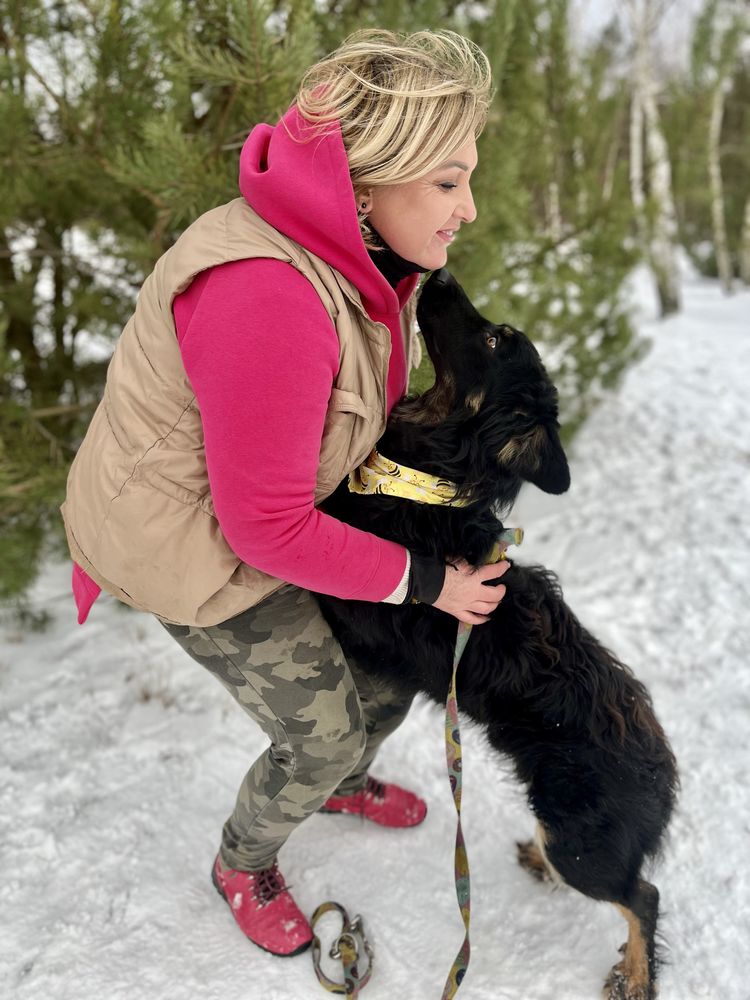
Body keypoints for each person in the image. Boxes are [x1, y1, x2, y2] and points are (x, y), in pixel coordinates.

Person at [61, 28, 509, 957]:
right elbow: (261, 528)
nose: (470, 207)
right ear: (370, 178)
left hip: (264, 514)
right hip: (189, 548)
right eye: (448, 180)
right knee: (323, 732)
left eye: (468, 177)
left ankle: (337, 778)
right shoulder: (269, 296)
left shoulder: (366, 259)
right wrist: (425, 581)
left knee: (387, 675)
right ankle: (244, 858)